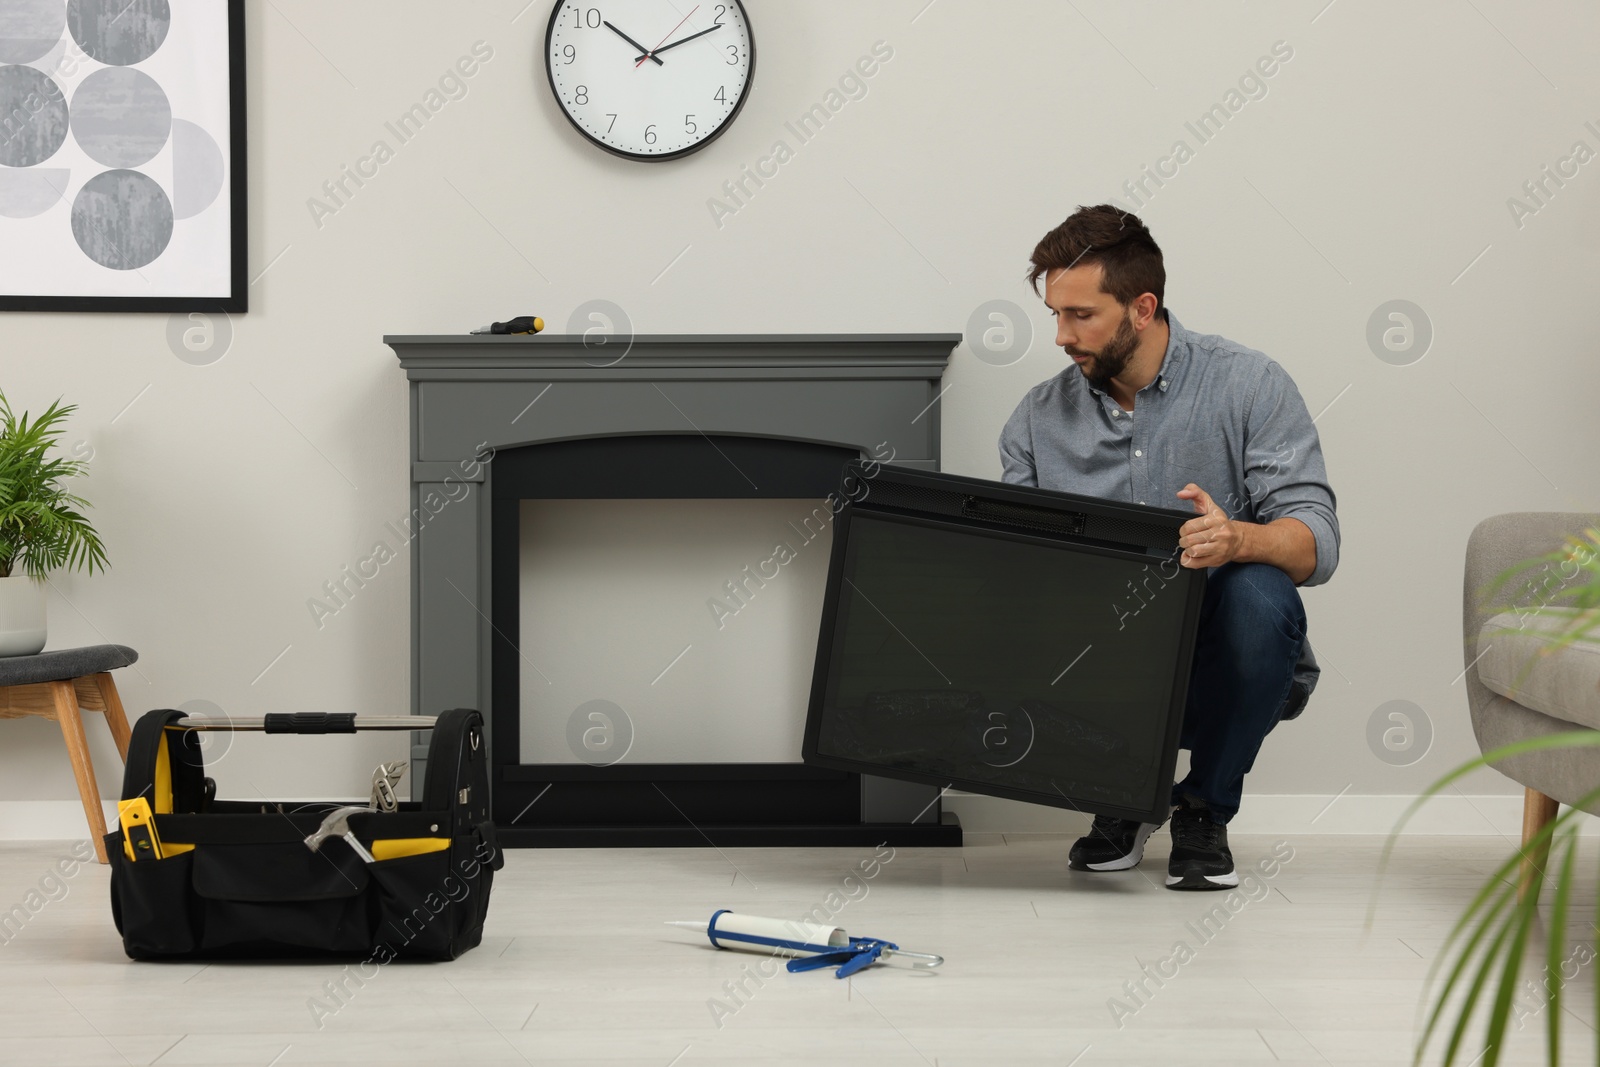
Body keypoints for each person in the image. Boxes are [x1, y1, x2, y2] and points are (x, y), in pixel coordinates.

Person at [998, 204, 1339, 891]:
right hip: (1102, 656)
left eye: (1081, 315)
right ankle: (1122, 794)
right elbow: (1020, 570)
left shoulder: (1249, 384)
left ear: (1142, 307)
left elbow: (1317, 544)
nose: (1062, 335)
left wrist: (1236, 536)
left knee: (1260, 591)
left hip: (1221, 661)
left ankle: (1203, 806)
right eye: (1054, 315)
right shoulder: (1036, 420)